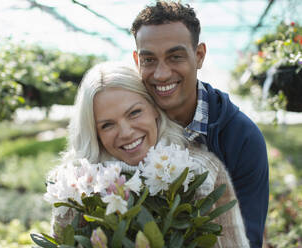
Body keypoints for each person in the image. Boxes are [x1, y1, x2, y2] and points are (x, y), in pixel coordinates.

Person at [52, 62, 249, 247]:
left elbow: (231, 241)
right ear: (95, 133)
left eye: (134, 113)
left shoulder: (200, 169)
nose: (126, 132)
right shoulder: (77, 186)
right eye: (107, 125)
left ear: (155, 108)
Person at [130, 2, 269, 247]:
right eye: (149, 59)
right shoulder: (126, 127)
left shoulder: (242, 138)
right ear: (136, 60)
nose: (161, 74)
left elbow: (247, 239)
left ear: (199, 55)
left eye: (175, 57)